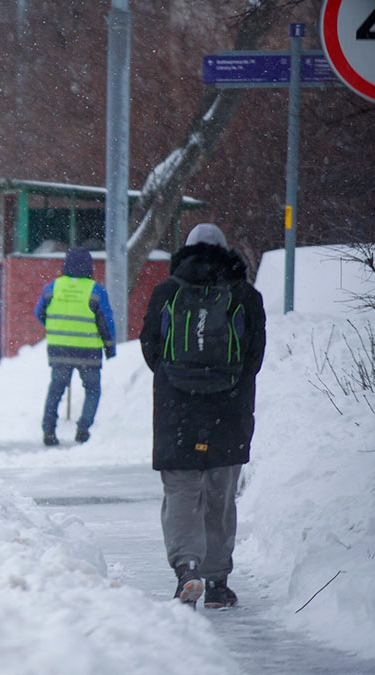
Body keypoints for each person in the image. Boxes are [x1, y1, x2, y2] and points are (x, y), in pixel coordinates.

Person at [140, 223, 265, 610]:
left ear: (187, 251)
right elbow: (254, 357)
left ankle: (187, 568)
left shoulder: (166, 293)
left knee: (181, 492)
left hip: (177, 411)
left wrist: (178, 379)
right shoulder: (245, 296)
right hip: (228, 411)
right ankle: (217, 583)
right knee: (220, 495)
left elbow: (151, 349)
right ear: (226, 252)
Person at [34, 247, 116, 446]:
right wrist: (109, 347)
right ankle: (83, 429)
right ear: (89, 266)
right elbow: (106, 322)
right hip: (88, 351)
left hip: (59, 349)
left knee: (56, 389)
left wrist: (56, 328)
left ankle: (48, 431)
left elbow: (39, 313)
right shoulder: (95, 290)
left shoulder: (52, 287)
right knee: (92, 390)